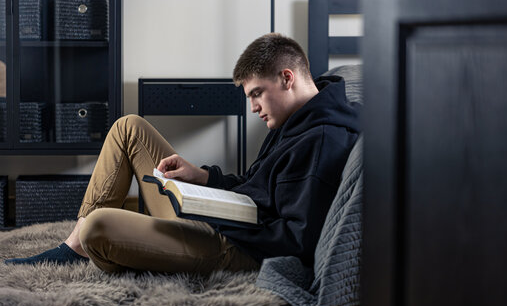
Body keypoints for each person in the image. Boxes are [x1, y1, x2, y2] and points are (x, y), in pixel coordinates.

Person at [5, 33, 360, 273]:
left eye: (256, 94)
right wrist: (202, 179)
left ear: (287, 78)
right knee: (129, 127)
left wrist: (214, 215)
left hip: (239, 248)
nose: (253, 107)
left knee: (99, 226)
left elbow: (296, 242)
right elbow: (256, 186)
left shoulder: (323, 139)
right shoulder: (295, 119)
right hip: (225, 223)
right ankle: (73, 248)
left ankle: (96, 244)